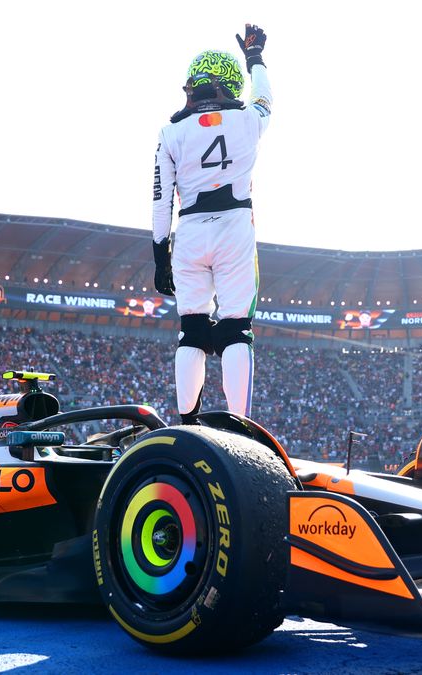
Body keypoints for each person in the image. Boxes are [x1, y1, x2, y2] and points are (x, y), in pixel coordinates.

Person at [151, 24, 272, 424]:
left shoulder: (170, 132)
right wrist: (255, 57)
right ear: (231, 85)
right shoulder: (247, 120)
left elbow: (160, 200)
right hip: (235, 224)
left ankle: (187, 423)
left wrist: (159, 256)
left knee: (192, 329)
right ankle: (241, 429)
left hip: (189, 232)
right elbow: (265, 99)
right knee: (237, 327)